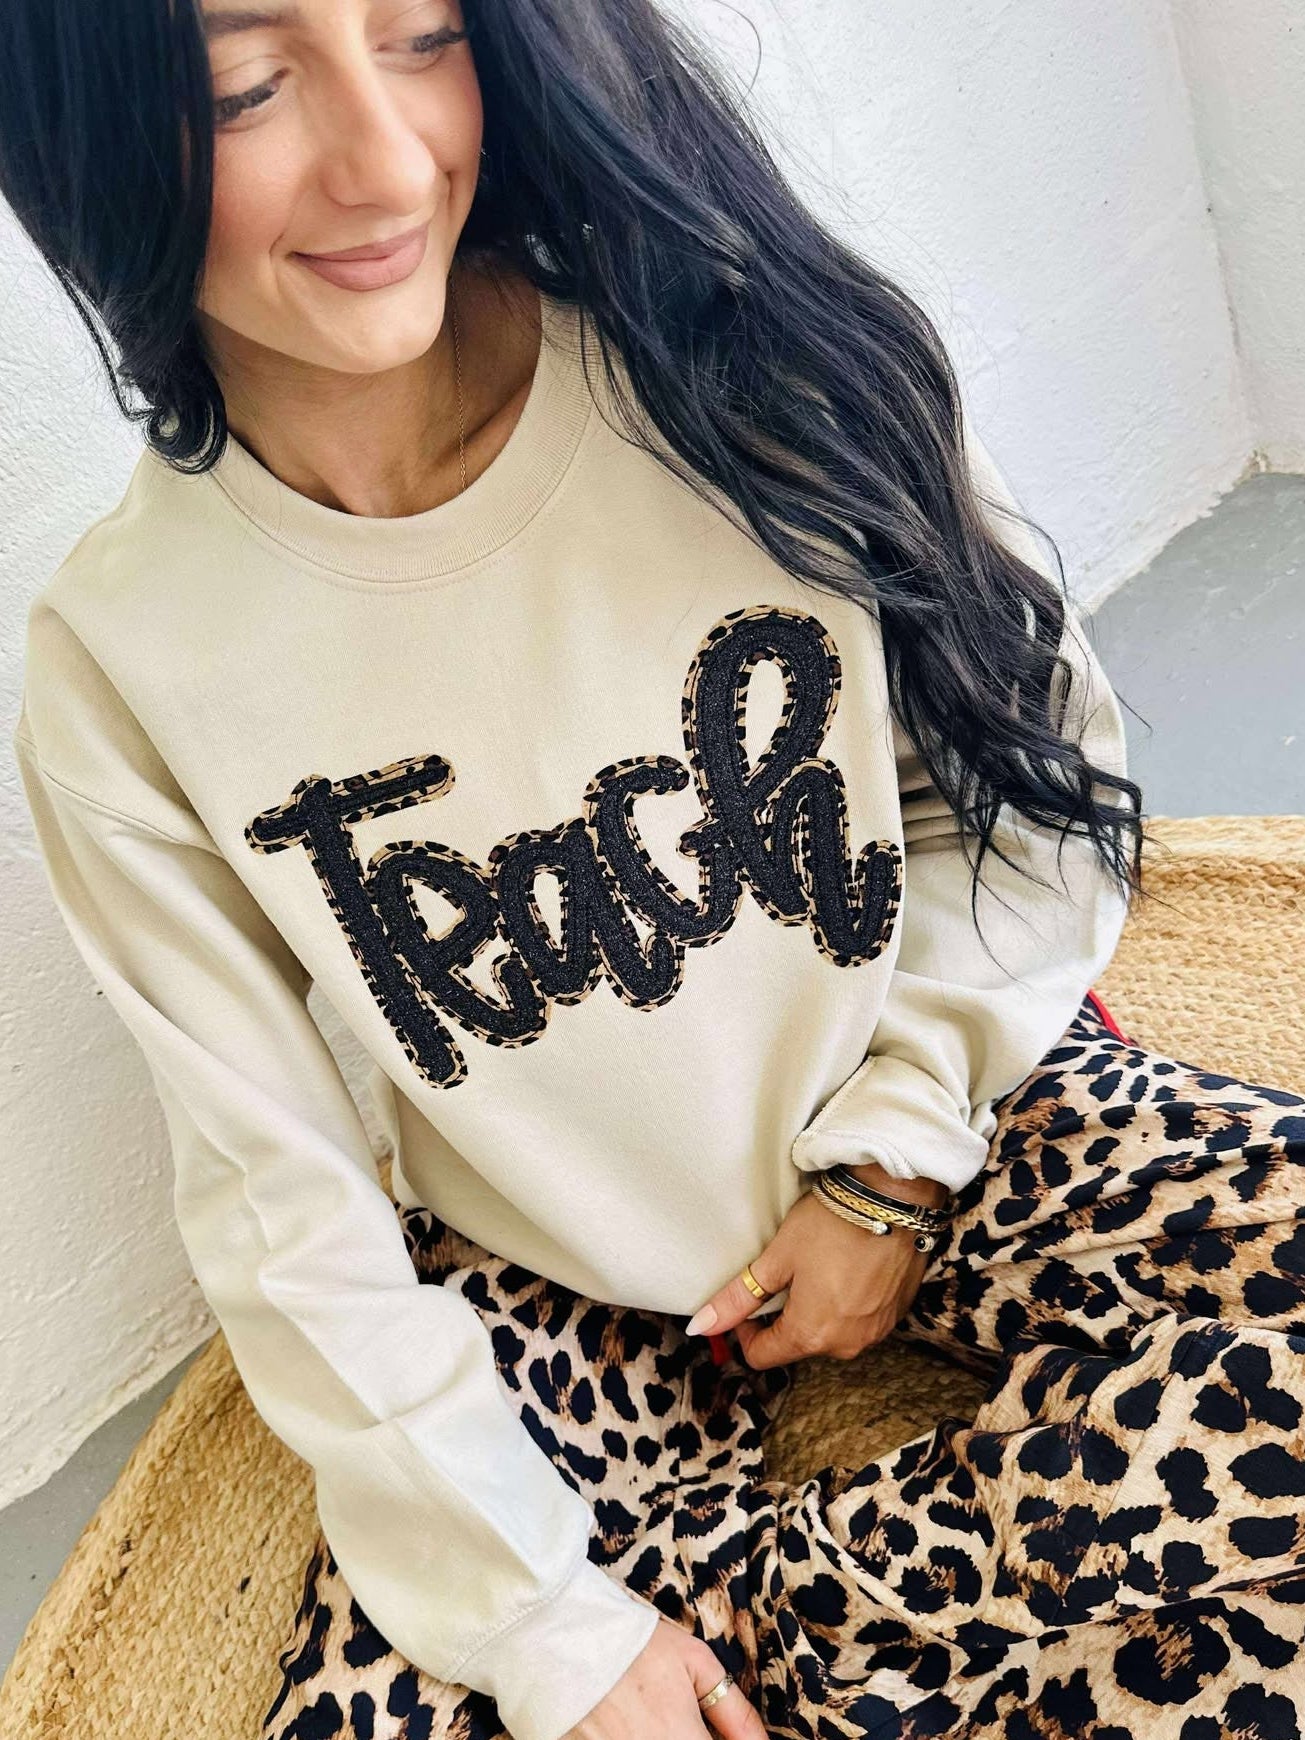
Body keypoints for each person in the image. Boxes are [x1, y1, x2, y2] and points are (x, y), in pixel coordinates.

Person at [4, 1, 1304, 1736]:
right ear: (79, 136)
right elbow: (277, 1194)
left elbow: (1029, 785)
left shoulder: (756, 369)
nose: (387, 163)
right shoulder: (126, 656)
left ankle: (774, 1612)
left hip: (941, 1098)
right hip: (541, 1285)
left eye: (426, 34)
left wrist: (891, 1165)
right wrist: (562, 1635)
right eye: (246, 85)